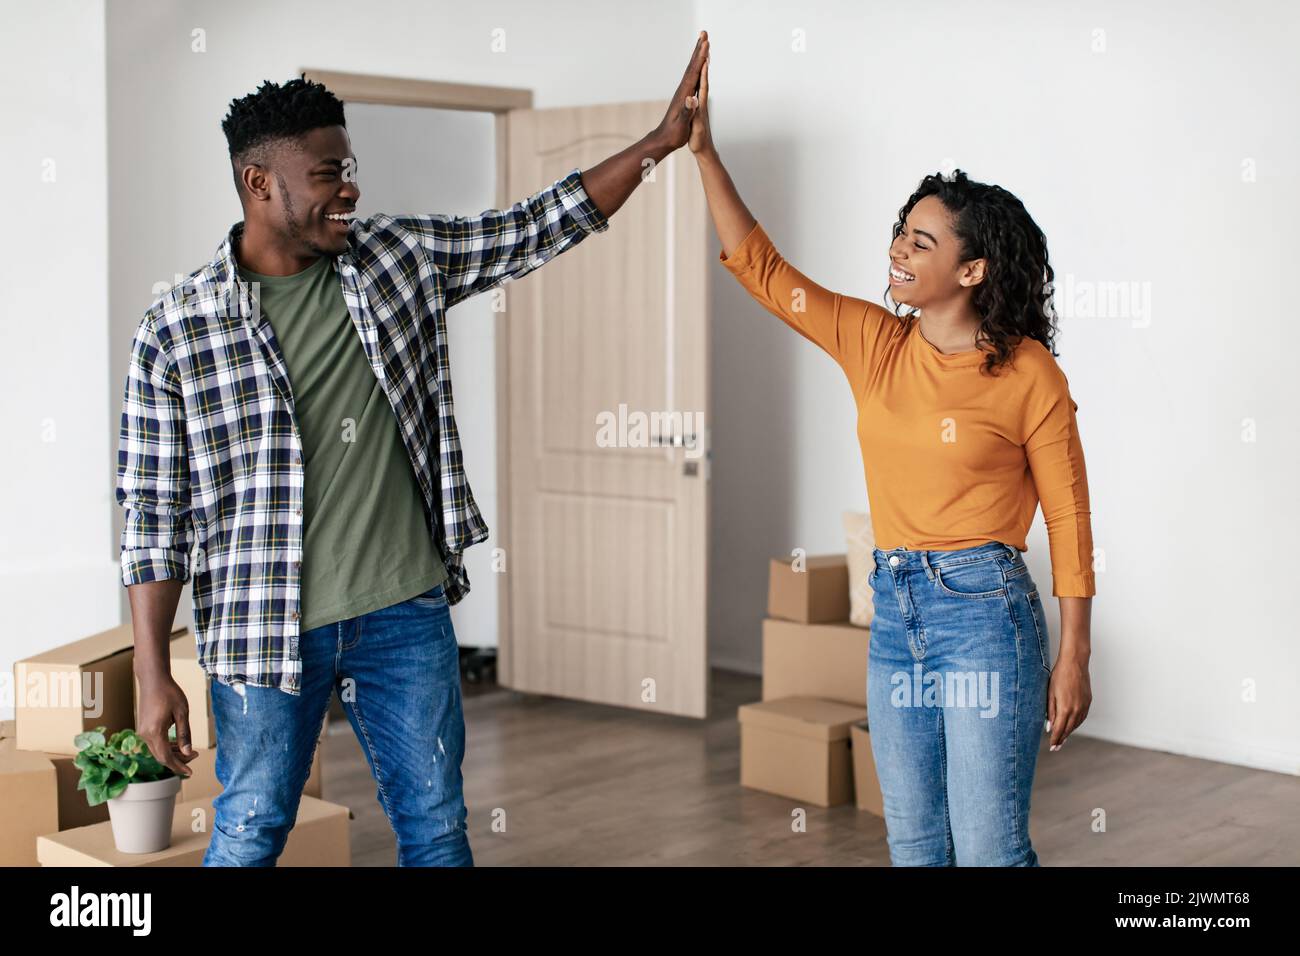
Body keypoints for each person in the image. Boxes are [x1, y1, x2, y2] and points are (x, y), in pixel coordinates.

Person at [118, 36, 710, 866]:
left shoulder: (397, 258)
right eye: (328, 173)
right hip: (261, 627)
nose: (350, 187)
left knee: (435, 828)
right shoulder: (176, 328)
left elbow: (533, 226)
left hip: (404, 612)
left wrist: (657, 144)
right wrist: (152, 675)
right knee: (251, 829)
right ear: (261, 183)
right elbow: (153, 515)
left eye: (348, 165)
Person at [685, 33, 1094, 866]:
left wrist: (1074, 654)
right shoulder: (875, 342)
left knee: (987, 848)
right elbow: (763, 269)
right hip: (895, 608)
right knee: (912, 842)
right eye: (900, 236)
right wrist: (703, 151)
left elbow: (1070, 515)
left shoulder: (1027, 373)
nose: (896, 254)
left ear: (974, 269)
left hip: (987, 616)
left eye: (920, 243)